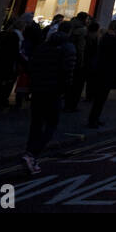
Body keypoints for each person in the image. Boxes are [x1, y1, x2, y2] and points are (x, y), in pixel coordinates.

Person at [22, 23, 76, 175]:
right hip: (54, 91)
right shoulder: (68, 48)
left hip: (38, 90)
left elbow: (31, 66)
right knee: (51, 124)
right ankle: (31, 154)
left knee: (36, 124)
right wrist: (65, 90)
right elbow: (68, 71)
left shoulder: (43, 46)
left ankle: (30, 153)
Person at [88, 21, 116, 128]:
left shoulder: (105, 37)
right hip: (107, 71)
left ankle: (95, 118)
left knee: (101, 98)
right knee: (100, 97)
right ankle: (93, 120)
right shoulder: (113, 39)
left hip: (103, 70)